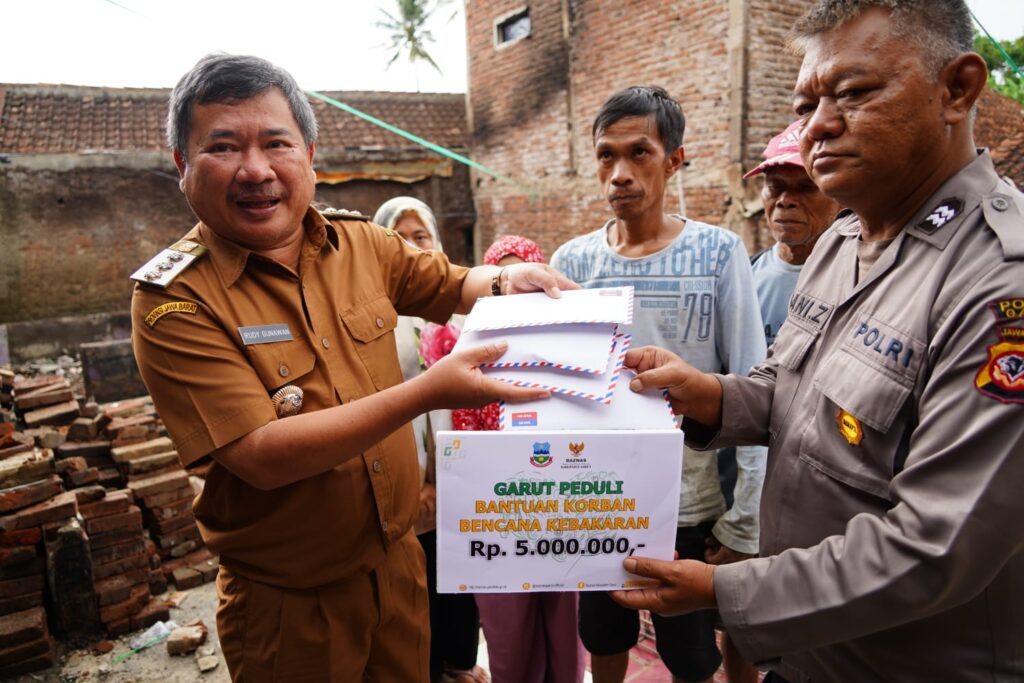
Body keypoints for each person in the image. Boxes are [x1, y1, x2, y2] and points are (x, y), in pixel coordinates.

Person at [611, 2, 1024, 681]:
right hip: (807, 657)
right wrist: (706, 394)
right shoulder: (841, 241)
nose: (820, 126)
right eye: (807, 105)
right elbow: (787, 389)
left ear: (958, 89)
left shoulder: (999, 283)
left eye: (856, 93)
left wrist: (725, 591)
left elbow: (935, 545)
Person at [130, 53, 575, 682]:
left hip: (398, 569)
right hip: (291, 602)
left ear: (309, 155)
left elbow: (448, 283)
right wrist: (426, 392)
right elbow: (261, 452)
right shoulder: (174, 300)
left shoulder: (359, 242)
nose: (256, 170)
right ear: (183, 166)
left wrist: (505, 278)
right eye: (224, 147)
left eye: (276, 143)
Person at [550, 86, 768, 683]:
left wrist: (745, 516)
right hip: (595, 496)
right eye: (606, 155)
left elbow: (753, 384)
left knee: (692, 653)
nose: (619, 173)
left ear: (673, 159)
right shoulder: (573, 262)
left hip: (689, 504)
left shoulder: (720, 254)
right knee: (603, 631)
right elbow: (558, 391)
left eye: (639, 153)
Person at [372, 196, 488, 683]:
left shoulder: (461, 319)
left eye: (421, 237)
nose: (411, 248)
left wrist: (451, 478)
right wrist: (418, 481)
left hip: (457, 476)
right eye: (398, 239)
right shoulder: (376, 321)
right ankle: (427, 667)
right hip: (405, 483)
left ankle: (459, 662)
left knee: (458, 578)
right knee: (413, 586)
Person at [470, 235, 588, 683]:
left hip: (559, 514)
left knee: (565, 629)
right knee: (508, 636)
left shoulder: (567, 350)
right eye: (506, 280)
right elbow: (464, 437)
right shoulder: (469, 348)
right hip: (497, 521)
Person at [745, 119, 841, 346]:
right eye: (775, 187)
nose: (785, 201)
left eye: (807, 187)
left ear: (840, 198)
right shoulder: (744, 276)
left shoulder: (857, 281)